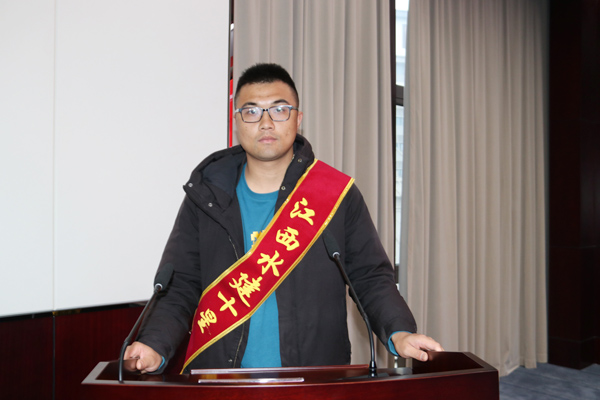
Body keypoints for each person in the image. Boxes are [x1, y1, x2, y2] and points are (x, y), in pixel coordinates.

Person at [124, 63, 443, 374]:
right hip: (221, 378)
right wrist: (153, 343)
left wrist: (400, 331)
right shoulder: (206, 197)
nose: (266, 123)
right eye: (252, 111)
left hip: (315, 378)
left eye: (279, 110)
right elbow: (179, 284)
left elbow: (369, 277)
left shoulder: (333, 194)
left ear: (298, 118)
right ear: (237, 121)